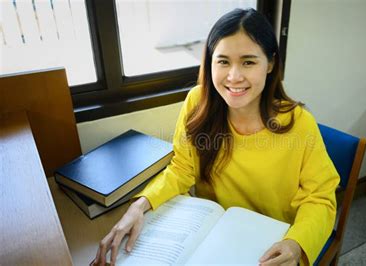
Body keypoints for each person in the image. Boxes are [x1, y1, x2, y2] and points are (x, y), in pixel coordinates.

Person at [92, 8, 339, 266]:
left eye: (248, 61)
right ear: (210, 62)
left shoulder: (299, 123)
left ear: (271, 64)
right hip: (211, 237)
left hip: (273, 245)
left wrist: (295, 243)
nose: (234, 76)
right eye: (223, 61)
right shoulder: (197, 103)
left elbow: (320, 198)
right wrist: (139, 206)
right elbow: (181, 169)